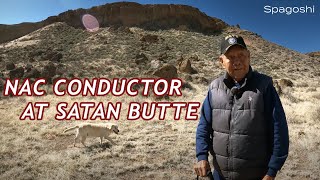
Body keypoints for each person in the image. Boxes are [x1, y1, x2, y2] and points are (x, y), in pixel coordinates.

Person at [194, 35, 289, 180]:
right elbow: (204, 126)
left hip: (256, 175)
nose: (237, 61)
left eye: (241, 55)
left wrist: (271, 171)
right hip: (220, 175)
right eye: (231, 57)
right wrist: (201, 156)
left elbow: (279, 130)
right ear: (221, 61)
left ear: (249, 56)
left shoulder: (264, 86)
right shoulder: (214, 88)